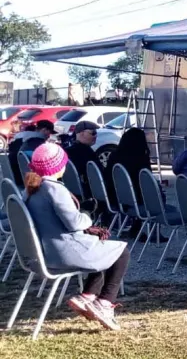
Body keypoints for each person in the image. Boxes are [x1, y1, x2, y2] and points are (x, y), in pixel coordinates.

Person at [23, 142, 129, 331]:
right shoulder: (54, 189)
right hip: (65, 253)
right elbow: (74, 223)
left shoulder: (31, 190)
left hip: (45, 253)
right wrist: (87, 216)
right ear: (59, 166)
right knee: (121, 252)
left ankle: (87, 296)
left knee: (103, 249)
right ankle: (104, 302)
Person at [104, 127, 155, 239]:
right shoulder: (141, 157)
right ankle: (153, 232)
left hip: (115, 197)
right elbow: (147, 179)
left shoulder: (114, 156)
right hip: (136, 198)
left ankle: (135, 227)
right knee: (157, 193)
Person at [8, 120, 55, 187]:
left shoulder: (17, 140)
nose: (49, 136)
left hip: (15, 178)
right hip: (30, 183)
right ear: (44, 130)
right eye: (49, 133)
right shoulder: (36, 143)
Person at [65, 121, 101, 194]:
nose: (95, 136)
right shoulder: (87, 152)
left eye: (96, 133)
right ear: (81, 133)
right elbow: (98, 175)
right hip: (90, 193)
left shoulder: (67, 151)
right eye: (93, 133)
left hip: (72, 192)